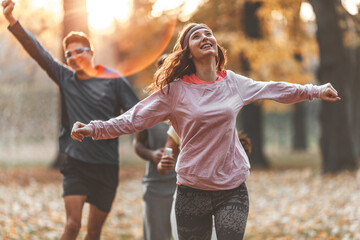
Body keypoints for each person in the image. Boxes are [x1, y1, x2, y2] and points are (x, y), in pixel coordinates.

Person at [71, 23, 340, 240]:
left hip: (232, 187)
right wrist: (93, 129)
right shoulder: (174, 91)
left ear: (215, 44)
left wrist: (313, 90)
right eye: (196, 36)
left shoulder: (233, 82)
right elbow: (133, 119)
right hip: (191, 189)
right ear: (188, 51)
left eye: (208, 33)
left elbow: (272, 89)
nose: (204, 37)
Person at [2, 1, 139, 239]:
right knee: (72, 225)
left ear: (91, 52)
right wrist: (12, 21)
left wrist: (149, 146)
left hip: (107, 165)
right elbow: (38, 52)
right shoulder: (66, 78)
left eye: (79, 51)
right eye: (69, 54)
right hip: (76, 163)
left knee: (94, 231)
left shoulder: (114, 80)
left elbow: (137, 114)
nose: (74, 57)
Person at [133, 54, 177, 240]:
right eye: (164, 70)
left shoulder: (191, 106)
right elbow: (137, 144)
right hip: (156, 186)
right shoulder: (147, 109)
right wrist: (152, 154)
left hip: (186, 185)